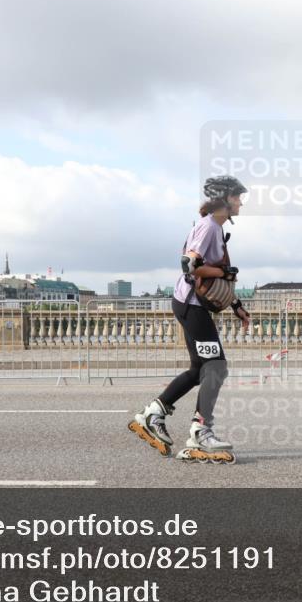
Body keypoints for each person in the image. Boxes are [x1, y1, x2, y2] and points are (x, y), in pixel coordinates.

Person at [128, 175, 251, 464]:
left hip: (192, 305)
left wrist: (236, 304)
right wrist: (221, 273)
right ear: (224, 199)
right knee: (216, 367)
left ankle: (153, 414)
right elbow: (190, 264)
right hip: (192, 306)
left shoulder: (216, 229)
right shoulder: (209, 227)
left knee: (200, 369)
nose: (241, 202)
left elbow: (214, 271)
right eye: (237, 197)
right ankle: (200, 431)